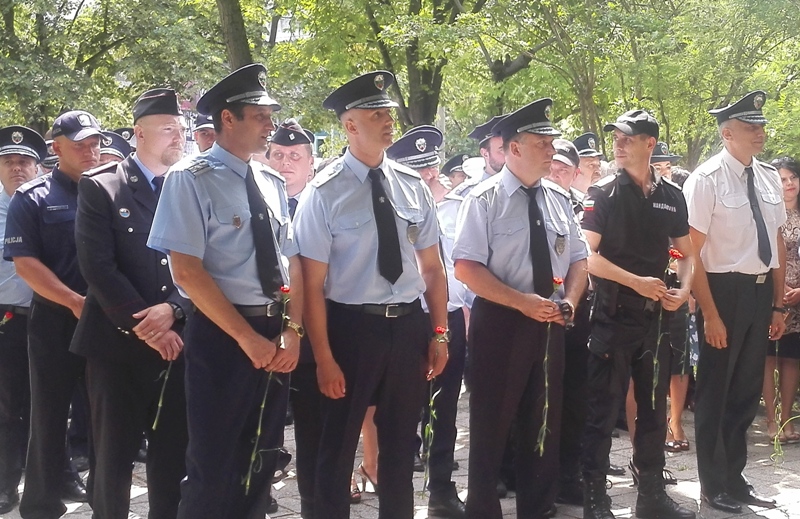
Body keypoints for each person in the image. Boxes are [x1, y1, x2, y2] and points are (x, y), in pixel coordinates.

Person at [147, 63, 302, 518]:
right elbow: (188, 272)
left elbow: (286, 264)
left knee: (264, 452)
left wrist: (292, 330)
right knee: (213, 460)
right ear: (227, 119)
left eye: (270, 115)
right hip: (221, 333)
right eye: (259, 115)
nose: (270, 125)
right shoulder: (189, 178)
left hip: (273, 331)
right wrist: (245, 337)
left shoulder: (271, 183)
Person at [294, 70, 448, 519]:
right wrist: (322, 357)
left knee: (401, 448)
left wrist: (439, 333)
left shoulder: (412, 185)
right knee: (336, 447)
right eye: (375, 114)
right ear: (349, 126)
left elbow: (433, 269)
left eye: (388, 113)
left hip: (407, 327)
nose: (387, 121)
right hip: (349, 328)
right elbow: (313, 285)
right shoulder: (324, 193)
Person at [453, 98, 589, 519]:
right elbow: (465, 268)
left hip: (550, 320)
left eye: (552, 141)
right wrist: (520, 302)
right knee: (492, 422)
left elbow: (580, 259)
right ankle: (483, 508)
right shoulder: (484, 198)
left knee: (544, 419)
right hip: (502, 320)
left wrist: (569, 299)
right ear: (513, 148)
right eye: (541, 142)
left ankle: (539, 507)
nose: (551, 150)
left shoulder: (557, 198)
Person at [71, 88, 190, 519]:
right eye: (167, 129)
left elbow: (206, 263)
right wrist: (148, 327)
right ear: (139, 133)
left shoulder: (190, 186)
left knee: (172, 455)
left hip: (178, 341)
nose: (178, 136)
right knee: (112, 458)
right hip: (116, 347)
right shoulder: (102, 186)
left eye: (180, 128)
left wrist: (175, 309)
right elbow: (98, 268)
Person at [579, 110, 695, 519]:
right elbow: (587, 257)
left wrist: (683, 287)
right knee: (602, 411)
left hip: (656, 320)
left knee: (652, 411)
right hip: (613, 317)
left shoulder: (670, 195)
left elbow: (686, 252)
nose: (619, 144)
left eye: (629, 138)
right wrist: (636, 282)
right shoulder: (603, 192)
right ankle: (596, 500)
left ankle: (651, 496)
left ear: (650, 144)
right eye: (617, 138)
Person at [684, 91, 786, 514]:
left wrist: (778, 304)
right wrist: (709, 312)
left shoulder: (766, 176)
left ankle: (735, 476)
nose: (759, 133)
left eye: (760, 126)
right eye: (749, 127)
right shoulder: (705, 180)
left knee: (745, 392)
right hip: (721, 292)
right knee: (716, 391)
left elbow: (777, 240)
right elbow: (692, 253)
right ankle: (713, 483)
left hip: (761, 291)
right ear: (727, 134)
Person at [5, 110, 101, 518]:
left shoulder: (112, 191)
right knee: (47, 412)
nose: (90, 151)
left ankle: (105, 496)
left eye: (94, 143)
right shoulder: (34, 197)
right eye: (79, 144)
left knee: (103, 414)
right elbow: (26, 264)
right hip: (55, 319)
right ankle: (42, 503)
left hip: (105, 319)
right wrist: (73, 302)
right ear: (56, 148)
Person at [388, 125, 467, 518]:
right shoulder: (393, 206)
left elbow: (459, 268)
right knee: (403, 407)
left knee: (446, 407)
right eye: (419, 170)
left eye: (432, 167)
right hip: (406, 318)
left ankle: (441, 486)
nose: (429, 176)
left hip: (447, 316)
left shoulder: (458, 206)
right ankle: (399, 479)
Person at [266, 118, 320, 517]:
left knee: (314, 429)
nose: (286, 163)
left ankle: (312, 502)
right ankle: (260, 492)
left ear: (310, 165)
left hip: (315, 335)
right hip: (263, 332)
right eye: (279, 155)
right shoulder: (254, 198)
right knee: (262, 423)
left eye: (295, 156)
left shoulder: (324, 204)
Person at [0, 126, 47, 514]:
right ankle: (5, 482)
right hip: (7, 319)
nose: (17, 168)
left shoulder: (51, 202)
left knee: (50, 403)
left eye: (24, 161)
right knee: (8, 405)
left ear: (37, 166)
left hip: (51, 316)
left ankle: (53, 476)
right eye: (9, 161)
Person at [762, 156, 800, 444]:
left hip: (798, 297)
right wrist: (780, 288)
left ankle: (787, 420)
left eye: (792, 178)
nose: (788, 184)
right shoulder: (766, 212)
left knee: (790, 358)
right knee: (768, 357)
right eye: (782, 179)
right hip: (770, 292)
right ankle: (771, 421)